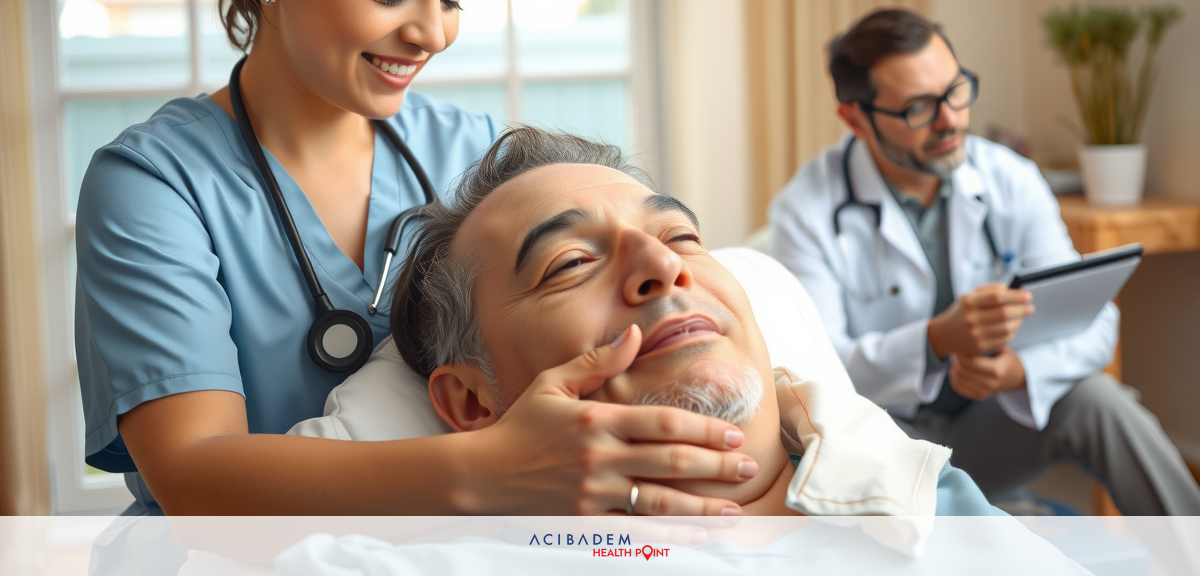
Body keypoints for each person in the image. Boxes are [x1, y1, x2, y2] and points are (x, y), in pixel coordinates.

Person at [75, 0, 754, 516]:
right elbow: (193, 474)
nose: (431, 33)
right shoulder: (153, 186)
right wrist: (487, 469)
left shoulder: (477, 155)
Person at [389, 125, 999, 516]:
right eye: (571, 263)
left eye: (680, 235)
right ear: (473, 403)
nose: (661, 264)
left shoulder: (938, 503)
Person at [768, 7, 1200, 514]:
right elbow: (814, 378)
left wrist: (1019, 371)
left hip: (991, 425)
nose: (951, 119)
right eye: (917, 108)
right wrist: (936, 341)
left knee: (1099, 402)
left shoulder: (1009, 179)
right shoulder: (807, 209)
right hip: (886, 442)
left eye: (955, 90)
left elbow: (1096, 322)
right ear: (856, 118)